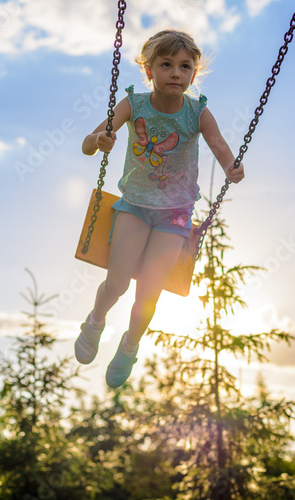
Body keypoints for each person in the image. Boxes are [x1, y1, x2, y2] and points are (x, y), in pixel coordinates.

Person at [75, 29, 244, 388]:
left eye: (185, 67)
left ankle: (129, 345)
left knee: (148, 293)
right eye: (166, 64)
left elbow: (218, 143)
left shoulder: (197, 113)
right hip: (134, 206)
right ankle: (95, 321)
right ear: (149, 70)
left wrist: (232, 166)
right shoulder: (133, 104)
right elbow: (89, 143)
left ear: (193, 75)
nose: (176, 73)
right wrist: (99, 140)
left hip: (176, 215)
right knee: (118, 283)